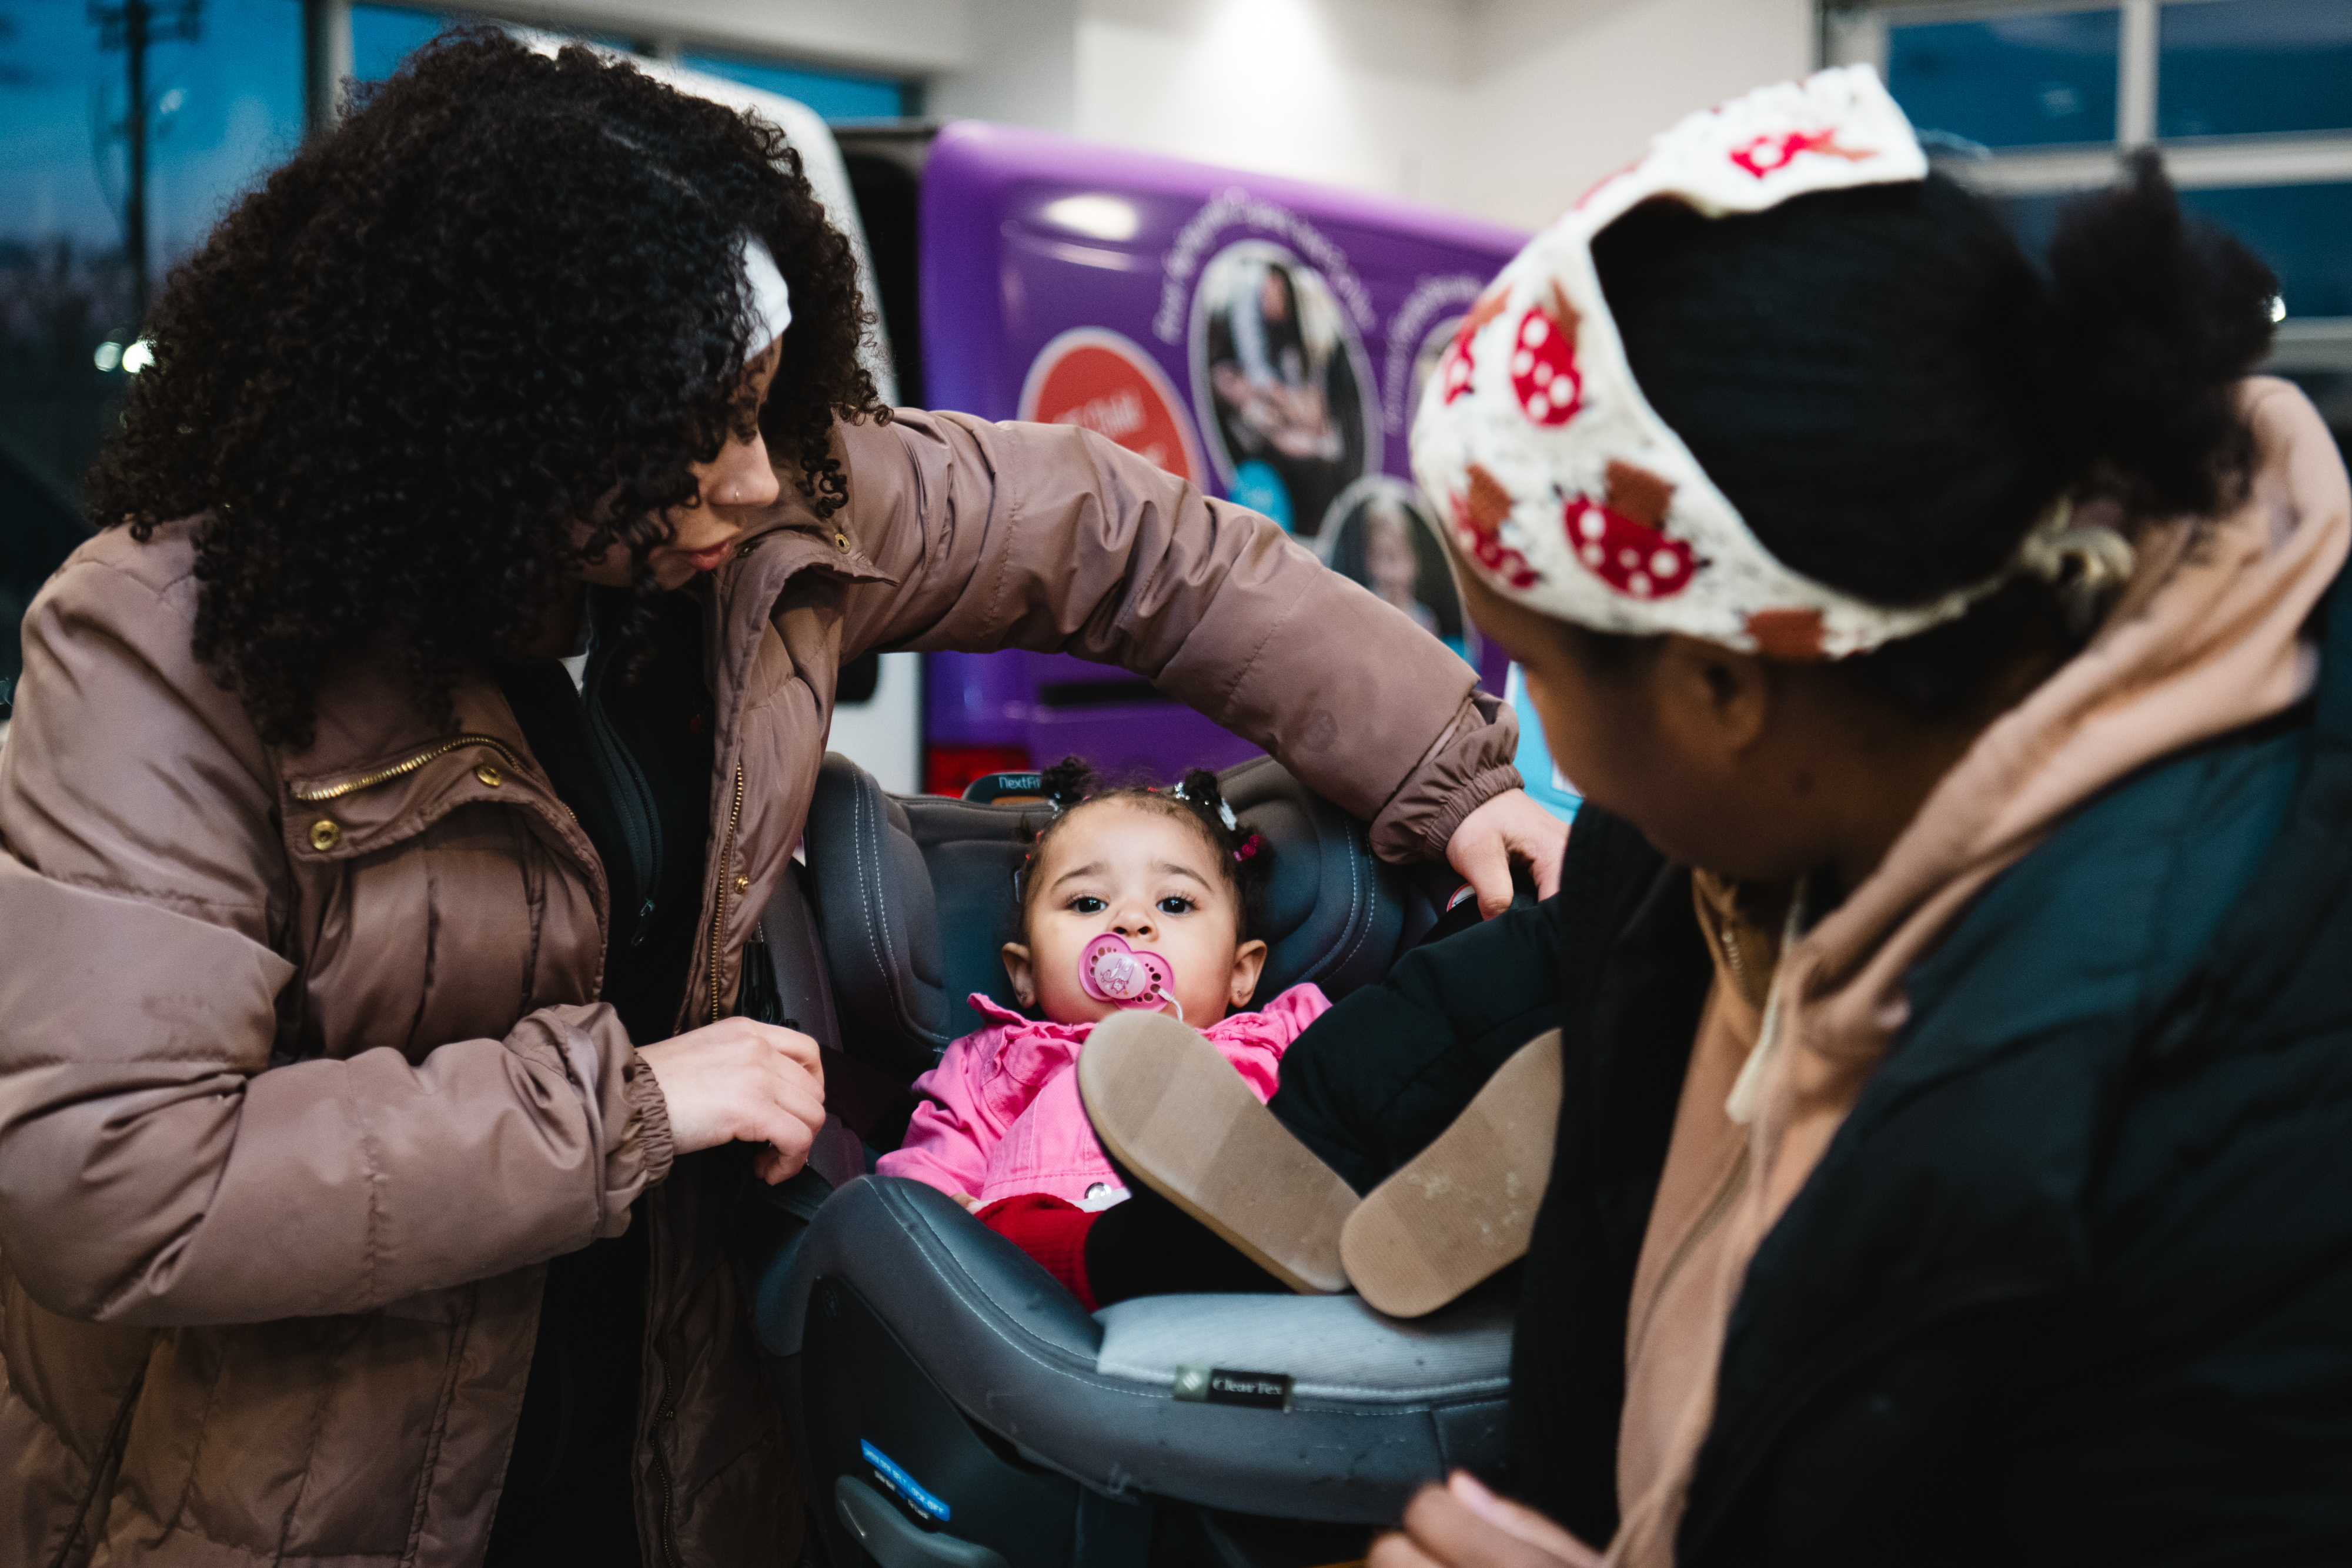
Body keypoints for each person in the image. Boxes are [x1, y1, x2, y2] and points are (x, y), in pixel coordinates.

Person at [0, 32, 1567, 1568]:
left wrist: (1447, 767)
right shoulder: (169, 647)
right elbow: (115, 1174)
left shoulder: (758, 520)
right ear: (494, 436)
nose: (756, 481)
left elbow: (1130, 543)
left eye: (765, 405)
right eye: (690, 438)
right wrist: (627, 1104)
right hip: (292, 1487)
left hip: (673, 1438)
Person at [1096, 66, 2352, 1563]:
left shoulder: (2258, 1078)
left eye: (1544, 669)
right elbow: (1469, 1018)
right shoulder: (1710, 834)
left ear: (1726, 684)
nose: (1534, 731)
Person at [877, 760, 1338, 1305]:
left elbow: (1353, 1104)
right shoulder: (995, 1066)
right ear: (1024, 974)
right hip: (1046, 1301)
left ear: (1241, 973)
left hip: (1239, 1279)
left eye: (1174, 903)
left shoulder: (1279, 1037)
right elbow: (920, 1195)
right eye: (1089, 903)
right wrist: (954, 1216)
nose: (1130, 922)